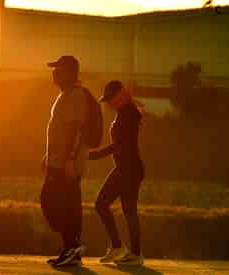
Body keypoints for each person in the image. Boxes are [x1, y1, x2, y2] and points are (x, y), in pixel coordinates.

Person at [40, 56, 102, 267]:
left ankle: (72, 245)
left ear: (68, 72)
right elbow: (60, 129)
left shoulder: (75, 95)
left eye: (58, 68)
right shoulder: (66, 94)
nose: (54, 72)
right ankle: (71, 248)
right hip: (59, 159)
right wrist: (48, 156)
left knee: (55, 202)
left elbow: (75, 129)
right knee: (60, 203)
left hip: (67, 162)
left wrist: (68, 160)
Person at [89, 80, 145, 266]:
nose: (109, 103)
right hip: (128, 168)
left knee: (101, 204)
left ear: (120, 96)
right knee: (128, 211)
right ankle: (132, 253)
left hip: (128, 169)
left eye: (111, 99)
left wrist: (92, 155)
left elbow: (119, 145)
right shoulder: (125, 112)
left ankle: (120, 247)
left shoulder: (128, 114)